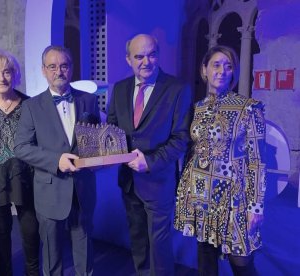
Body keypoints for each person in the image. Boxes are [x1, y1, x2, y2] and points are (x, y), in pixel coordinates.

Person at [174, 45, 266, 275]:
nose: (222, 71)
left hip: (235, 197)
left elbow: (257, 160)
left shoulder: (248, 108)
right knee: (205, 258)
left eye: (228, 66)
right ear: (204, 69)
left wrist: (256, 205)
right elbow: (191, 150)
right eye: (216, 65)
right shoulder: (197, 108)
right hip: (201, 193)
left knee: (241, 262)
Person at [107, 34, 194, 275]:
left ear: (158, 55)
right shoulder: (120, 88)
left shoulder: (178, 89)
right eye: (139, 56)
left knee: (160, 244)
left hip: (158, 181)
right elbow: (113, 129)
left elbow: (181, 138)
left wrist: (150, 162)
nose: (146, 61)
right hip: (128, 181)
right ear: (128, 60)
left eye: (152, 54)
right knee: (137, 240)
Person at [14, 45, 100, 276]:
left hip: (83, 189)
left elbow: (96, 141)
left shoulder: (89, 101)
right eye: (52, 66)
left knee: (85, 250)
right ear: (43, 70)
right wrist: (56, 160)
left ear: (71, 68)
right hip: (49, 191)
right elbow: (21, 147)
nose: (58, 71)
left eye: (64, 65)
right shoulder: (31, 106)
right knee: (52, 256)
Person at [0, 49, 40, 276]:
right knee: (1, 235)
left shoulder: (31, 105)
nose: (1, 78)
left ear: (15, 75)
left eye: (7, 72)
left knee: (31, 234)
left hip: (26, 177)